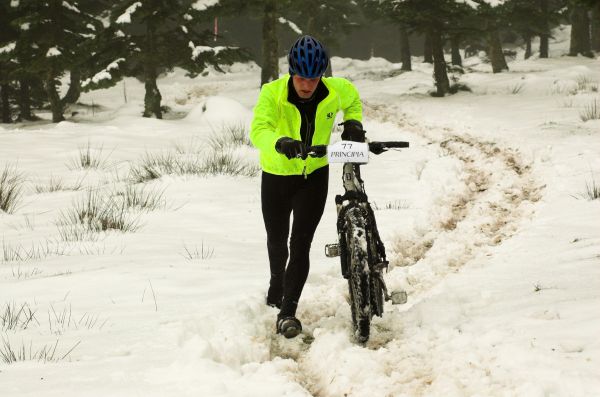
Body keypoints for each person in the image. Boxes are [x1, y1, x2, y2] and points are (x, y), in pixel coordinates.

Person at [249, 35, 366, 338]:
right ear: (291, 72)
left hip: (314, 176)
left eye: (313, 79)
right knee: (277, 240)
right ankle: (277, 283)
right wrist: (280, 142)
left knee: (299, 244)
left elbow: (352, 99)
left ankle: (288, 312)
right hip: (276, 175)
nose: (307, 85)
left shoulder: (334, 90)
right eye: (302, 78)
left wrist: (353, 122)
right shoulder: (272, 93)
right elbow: (258, 129)